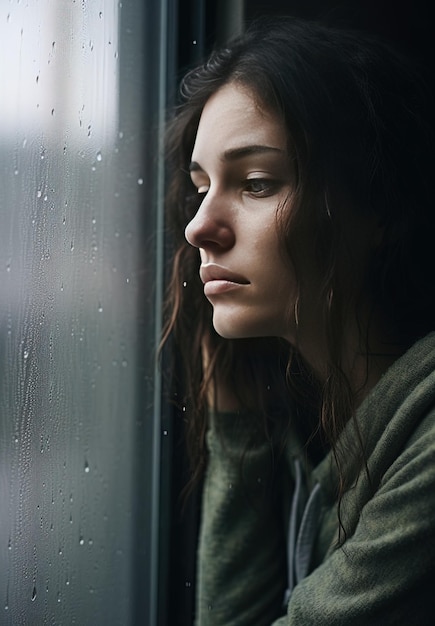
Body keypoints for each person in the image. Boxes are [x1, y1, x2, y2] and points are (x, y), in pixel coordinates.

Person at [161, 16, 435, 625]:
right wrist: (235, 424)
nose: (198, 227)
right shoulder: (307, 413)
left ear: (380, 205)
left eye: (256, 183)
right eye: (201, 187)